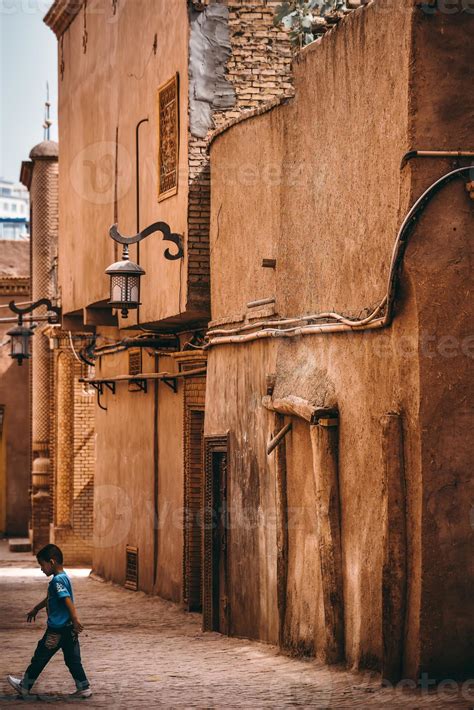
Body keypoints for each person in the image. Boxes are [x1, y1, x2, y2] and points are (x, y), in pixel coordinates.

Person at [7, 543, 91, 699]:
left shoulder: (57, 581)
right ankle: (83, 687)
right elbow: (51, 598)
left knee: (40, 656)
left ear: (51, 562)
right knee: (73, 659)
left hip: (57, 630)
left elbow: (66, 600)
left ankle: (24, 686)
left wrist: (75, 618)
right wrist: (37, 608)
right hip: (68, 629)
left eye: (42, 565)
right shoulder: (63, 578)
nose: (41, 569)